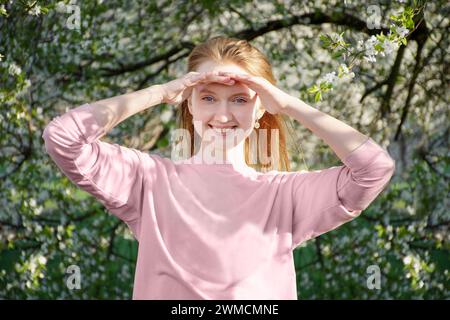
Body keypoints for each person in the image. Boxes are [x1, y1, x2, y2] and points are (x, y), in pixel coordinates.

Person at [42, 36, 395, 299]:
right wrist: (161, 91)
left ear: (261, 110)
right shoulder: (148, 180)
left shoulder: (284, 194)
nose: (223, 115)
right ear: (189, 103)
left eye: (240, 99)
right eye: (208, 97)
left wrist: (287, 104)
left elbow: (373, 169)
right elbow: (64, 137)